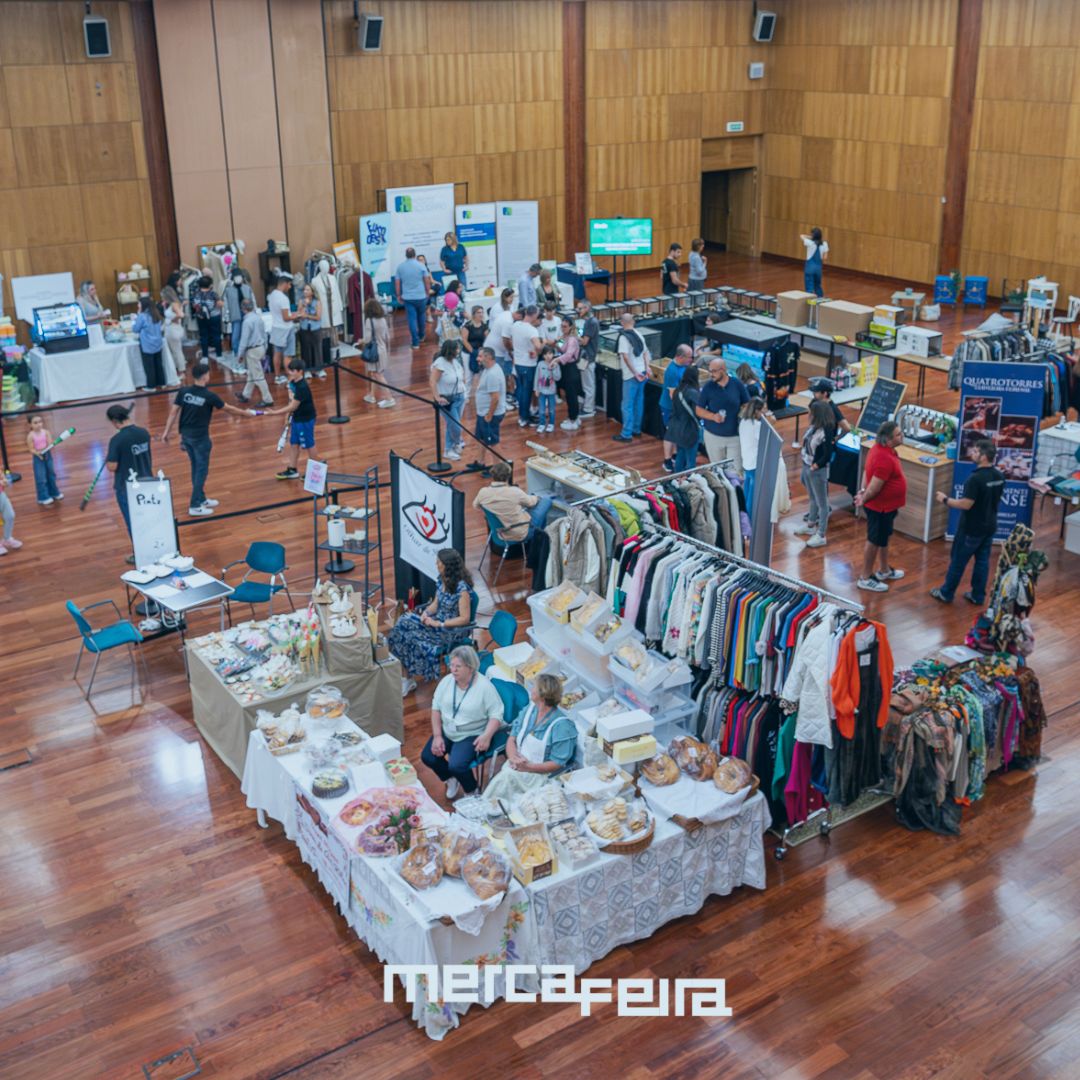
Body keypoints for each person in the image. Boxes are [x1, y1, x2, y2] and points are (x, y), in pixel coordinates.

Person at [161, 362, 252, 514]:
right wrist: (245, 413)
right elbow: (229, 409)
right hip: (200, 438)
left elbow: (173, 412)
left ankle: (201, 498)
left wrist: (166, 432)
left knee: (196, 467)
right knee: (201, 470)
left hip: (186, 437)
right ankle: (195, 505)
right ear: (205, 377)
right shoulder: (209, 396)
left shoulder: (184, 391)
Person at [387, 547, 474, 693]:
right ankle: (406, 675)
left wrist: (439, 623)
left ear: (448, 566)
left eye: (439, 562)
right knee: (403, 622)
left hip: (449, 631)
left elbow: (465, 619)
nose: (436, 564)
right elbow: (435, 603)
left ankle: (408, 678)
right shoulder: (442, 579)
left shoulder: (462, 589)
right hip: (435, 623)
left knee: (409, 636)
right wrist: (426, 613)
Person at [421, 645, 503, 799]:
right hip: (448, 728)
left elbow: (496, 715)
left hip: (471, 733)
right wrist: (437, 736)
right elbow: (436, 708)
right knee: (428, 756)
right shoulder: (447, 682)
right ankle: (450, 778)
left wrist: (486, 736)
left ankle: (472, 791)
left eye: (458, 666)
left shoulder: (485, 687)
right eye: (451, 665)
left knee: (457, 765)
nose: (453, 670)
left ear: (470, 668)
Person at [931, 438, 1006, 605]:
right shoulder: (1000, 476)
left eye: (976, 451)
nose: (973, 453)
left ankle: (946, 593)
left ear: (984, 456)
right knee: (982, 562)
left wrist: (945, 499)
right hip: (990, 526)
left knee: (958, 561)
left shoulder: (975, 479)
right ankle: (978, 595)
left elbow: (966, 504)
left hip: (971, 528)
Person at [483, 674, 576, 804]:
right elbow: (512, 738)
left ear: (543, 695)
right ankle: (489, 807)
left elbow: (557, 763)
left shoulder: (562, 726)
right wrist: (513, 758)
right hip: (516, 766)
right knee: (505, 779)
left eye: (534, 687)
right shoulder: (529, 710)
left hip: (540, 777)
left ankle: (485, 807)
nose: (531, 689)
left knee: (504, 780)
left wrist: (528, 767)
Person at [853, 421, 907, 591]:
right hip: (880, 508)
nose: (902, 436)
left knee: (884, 537)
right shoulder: (884, 458)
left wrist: (862, 491)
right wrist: (863, 497)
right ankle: (865, 577)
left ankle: (884, 569)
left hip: (887, 507)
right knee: (874, 540)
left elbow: (866, 472)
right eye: (898, 434)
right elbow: (875, 488)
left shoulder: (880, 449)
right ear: (888, 440)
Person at [105, 403, 152, 540]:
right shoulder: (144, 433)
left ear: (114, 421)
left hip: (127, 487)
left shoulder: (116, 440)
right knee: (148, 518)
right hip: (147, 482)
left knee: (133, 522)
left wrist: (109, 458)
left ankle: (139, 550)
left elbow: (112, 466)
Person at [473, 461, 552, 541]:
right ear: (509, 476)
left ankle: (539, 538)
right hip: (521, 533)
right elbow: (531, 503)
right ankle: (540, 539)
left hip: (499, 534)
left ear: (492, 475)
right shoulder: (514, 491)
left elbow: (476, 506)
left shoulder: (483, 492)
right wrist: (537, 497)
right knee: (546, 500)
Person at [795, 399, 836, 548]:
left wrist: (816, 465)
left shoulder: (826, 431)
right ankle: (811, 525)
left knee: (822, 503)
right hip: (808, 466)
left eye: (811, 412)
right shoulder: (814, 427)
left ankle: (821, 534)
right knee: (812, 498)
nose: (809, 414)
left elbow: (827, 454)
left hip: (817, 470)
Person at [696, 358, 749, 471]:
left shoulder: (736, 384)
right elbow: (699, 410)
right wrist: (713, 416)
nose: (711, 374)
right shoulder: (708, 387)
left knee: (736, 470)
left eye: (714, 371)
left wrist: (743, 412)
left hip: (734, 437)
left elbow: (747, 403)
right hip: (713, 436)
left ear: (723, 370)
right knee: (717, 470)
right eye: (710, 371)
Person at [271, 358, 318, 480]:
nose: (290, 373)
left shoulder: (302, 387)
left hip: (305, 420)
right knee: (294, 443)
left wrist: (275, 413)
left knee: (309, 445)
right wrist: (287, 418)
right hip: (297, 419)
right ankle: (292, 469)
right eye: (289, 370)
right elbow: (290, 400)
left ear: (300, 371)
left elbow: (293, 406)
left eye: (293, 371)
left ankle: (315, 472)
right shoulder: (293, 383)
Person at [612, 312, 650, 442]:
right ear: (633, 322)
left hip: (631, 375)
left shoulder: (623, 338)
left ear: (622, 322)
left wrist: (634, 373)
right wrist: (647, 368)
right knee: (638, 402)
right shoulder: (638, 334)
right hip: (642, 372)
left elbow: (625, 357)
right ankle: (636, 430)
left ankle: (626, 434)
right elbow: (646, 353)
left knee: (627, 405)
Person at [429, 340, 467, 461]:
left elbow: (461, 377)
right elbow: (432, 382)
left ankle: (449, 448)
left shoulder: (455, 361)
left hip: (460, 397)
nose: (459, 351)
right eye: (457, 349)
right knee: (456, 426)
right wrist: (437, 397)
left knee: (452, 424)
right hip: (447, 400)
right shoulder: (440, 363)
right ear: (451, 350)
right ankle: (456, 442)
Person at [471, 347, 507, 474]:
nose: (478, 359)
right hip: (483, 413)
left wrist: (489, 415)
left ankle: (499, 469)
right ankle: (480, 462)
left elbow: (495, 398)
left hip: (490, 414)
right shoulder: (488, 369)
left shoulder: (492, 374)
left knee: (493, 442)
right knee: (481, 438)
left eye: (480, 356)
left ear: (489, 357)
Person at [661, 344, 695, 470]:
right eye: (689, 357)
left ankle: (675, 455)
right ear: (681, 357)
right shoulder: (672, 372)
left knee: (676, 433)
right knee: (670, 434)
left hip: (678, 408)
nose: (691, 360)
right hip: (669, 408)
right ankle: (667, 461)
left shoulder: (684, 367)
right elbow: (673, 395)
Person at [234, 299, 273, 407]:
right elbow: (264, 334)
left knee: (258, 376)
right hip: (260, 347)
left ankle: (268, 399)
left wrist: (240, 355)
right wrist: (265, 347)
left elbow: (244, 340)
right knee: (252, 373)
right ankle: (245, 395)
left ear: (243, 309)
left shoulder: (247, 322)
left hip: (252, 350)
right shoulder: (258, 318)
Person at [666, 363, 703, 473]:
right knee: (690, 460)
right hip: (689, 429)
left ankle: (677, 478)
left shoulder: (678, 390)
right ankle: (690, 480)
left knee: (680, 456)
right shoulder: (693, 393)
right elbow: (698, 411)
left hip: (677, 428)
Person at [395, 247, 432, 349]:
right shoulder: (421, 266)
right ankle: (421, 336)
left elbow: (397, 283)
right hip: (421, 296)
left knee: (412, 319)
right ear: (415, 255)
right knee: (422, 316)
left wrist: (398, 295)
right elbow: (427, 280)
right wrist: (427, 292)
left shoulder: (400, 267)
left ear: (406, 255)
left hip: (408, 298)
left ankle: (415, 343)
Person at [484, 288, 516, 402]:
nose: (512, 299)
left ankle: (508, 393)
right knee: (499, 372)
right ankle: (500, 396)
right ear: (505, 297)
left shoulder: (511, 307)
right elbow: (496, 327)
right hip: (498, 343)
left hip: (506, 341)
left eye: (513, 297)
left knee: (508, 372)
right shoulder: (497, 308)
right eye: (510, 297)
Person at [361, 298, 394, 408]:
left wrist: (361, 341)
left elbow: (367, 339)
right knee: (375, 373)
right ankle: (371, 395)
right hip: (382, 349)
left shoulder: (369, 321)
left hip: (374, 352)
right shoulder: (383, 319)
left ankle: (389, 398)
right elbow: (386, 336)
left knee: (378, 374)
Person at [511, 305, 541, 426]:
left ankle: (523, 415)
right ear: (534, 315)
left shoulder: (516, 325)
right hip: (528, 364)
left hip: (518, 363)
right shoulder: (532, 330)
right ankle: (524, 417)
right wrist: (540, 347)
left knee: (522, 390)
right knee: (527, 392)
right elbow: (538, 346)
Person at [25, 414, 63, 506]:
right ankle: (43, 497)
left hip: (47, 455)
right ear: (30, 424)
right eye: (35, 423)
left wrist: (50, 446)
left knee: (51, 474)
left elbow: (49, 443)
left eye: (40, 422)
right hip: (38, 457)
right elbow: (31, 449)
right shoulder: (30, 436)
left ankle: (54, 492)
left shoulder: (46, 432)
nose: (39, 424)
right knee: (40, 477)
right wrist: (38, 453)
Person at [268, 274, 299, 385]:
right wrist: (296, 316)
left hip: (276, 327)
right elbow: (286, 318)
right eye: (289, 284)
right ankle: (290, 377)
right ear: (285, 284)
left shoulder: (271, 295)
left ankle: (277, 376)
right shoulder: (284, 298)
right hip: (286, 329)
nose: (290, 287)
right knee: (288, 355)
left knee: (277, 353)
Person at [132, 296, 165, 390]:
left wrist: (135, 319)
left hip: (147, 344)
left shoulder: (142, 316)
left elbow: (135, 329)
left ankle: (151, 386)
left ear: (143, 304)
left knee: (149, 366)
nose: (137, 305)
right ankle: (162, 383)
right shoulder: (155, 313)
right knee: (158, 364)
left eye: (139, 303)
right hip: (158, 343)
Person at [555, 315, 583, 431]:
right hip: (565, 368)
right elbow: (560, 349)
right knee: (569, 394)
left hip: (571, 368)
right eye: (562, 326)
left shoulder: (572, 339)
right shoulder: (565, 337)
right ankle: (574, 417)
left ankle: (573, 419)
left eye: (565, 326)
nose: (563, 328)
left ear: (571, 327)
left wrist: (556, 360)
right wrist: (559, 340)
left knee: (571, 395)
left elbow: (568, 355)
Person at [738, 397, 767, 508]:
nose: (764, 412)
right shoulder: (757, 426)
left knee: (747, 490)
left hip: (746, 461)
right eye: (762, 410)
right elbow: (764, 442)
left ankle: (744, 514)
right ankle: (750, 516)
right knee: (753, 496)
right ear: (756, 411)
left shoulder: (743, 422)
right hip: (755, 463)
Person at [295, 283, 325, 380]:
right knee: (305, 350)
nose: (305, 292)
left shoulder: (317, 302)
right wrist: (304, 306)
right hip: (304, 328)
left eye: (307, 290)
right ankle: (307, 370)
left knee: (317, 349)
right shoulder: (301, 301)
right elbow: (299, 315)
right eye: (304, 290)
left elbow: (318, 317)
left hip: (316, 328)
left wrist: (307, 316)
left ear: (312, 292)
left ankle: (319, 369)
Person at [222, 271, 254, 357]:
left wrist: (254, 312)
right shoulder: (228, 290)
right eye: (236, 276)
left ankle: (247, 351)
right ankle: (237, 352)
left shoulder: (247, 288)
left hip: (248, 314)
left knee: (248, 333)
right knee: (235, 335)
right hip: (235, 314)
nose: (238, 278)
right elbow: (226, 304)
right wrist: (226, 316)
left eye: (240, 276)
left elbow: (252, 300)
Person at [191, 275, 223, 360]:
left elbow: (194, 305)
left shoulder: (195, 294)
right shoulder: (213, 294)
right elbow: (220, 304)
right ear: (210, 285)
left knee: (203, 336)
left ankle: (205, 356)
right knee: (216, 335)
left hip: (201, 317)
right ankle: (219, 355)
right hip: (214, 317)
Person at [162, 273, 187, 381]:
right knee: (175, 350)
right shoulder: (174, 303)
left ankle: (181, 371)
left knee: (176, 351)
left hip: (173, 330)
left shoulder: (174, 304)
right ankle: (179, 370)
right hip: (172, 329)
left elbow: (181, 315)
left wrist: (172, 319)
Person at [577, 300, 600, 418]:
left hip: (588, 358)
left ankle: (589, 409)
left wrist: (573, 334)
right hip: (584, 357)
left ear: (587, 308)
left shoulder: (591, 322)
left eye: (580, 308)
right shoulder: (588, 321)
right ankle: (587, 404)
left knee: (588, 384)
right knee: (585, 382)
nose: (578, 310)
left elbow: (584, 341)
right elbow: (582, 335)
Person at [534, 344, 561, 434]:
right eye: (545, 354)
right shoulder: (540, 364)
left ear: (553, 354)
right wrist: (536, 389)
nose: (548, 356)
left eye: (550, 353)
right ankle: (542, 424)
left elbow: (558, 378)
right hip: (541, 391)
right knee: (541, 409)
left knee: (551, 410)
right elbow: (537, 377)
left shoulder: (556, 365)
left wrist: (553, 368)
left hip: (551, 391)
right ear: (543, 355)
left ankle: (551, 424)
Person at [460, 304, 488, 381]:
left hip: (480, 352)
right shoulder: (468, 325)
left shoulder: (484, 325)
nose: (481, 314)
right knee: (469, 375)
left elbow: (487, 339)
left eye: (482, 312)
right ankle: (467, 389)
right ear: (474, 314)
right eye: (479, 312)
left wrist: (482, 351)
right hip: (468, 352)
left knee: (481, 374)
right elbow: (464, 340)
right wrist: (473, 351)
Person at [800, 227, 828, 298]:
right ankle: (820, 299)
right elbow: (825, 257)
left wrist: (811, 237)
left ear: (813, 235)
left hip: (810, 267)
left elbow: (801, 236)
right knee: (817, 285)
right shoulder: (825, 243)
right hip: (818, 268)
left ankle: (809, 302)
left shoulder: (810, 243)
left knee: (809, 286)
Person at [0, 470, 21, 556]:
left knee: (10, 516)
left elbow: (3, 478)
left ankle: (7, 538)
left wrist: (4, 480)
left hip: (1, 495)